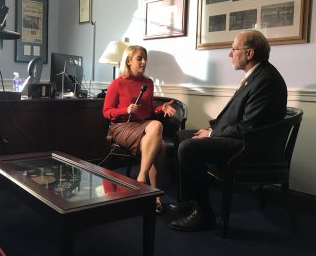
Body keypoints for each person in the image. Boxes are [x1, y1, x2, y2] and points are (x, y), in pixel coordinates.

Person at [169, 30, 287, 231]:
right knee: (181, 136)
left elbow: (249, 126)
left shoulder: (266, 79)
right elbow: (238, 118)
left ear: (249, 54)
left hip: (250, 147)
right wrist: (211, 130)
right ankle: (190, 200)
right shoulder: (257, 75)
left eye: (233, 49)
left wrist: (212, 134)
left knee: (189, 147)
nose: (229, 54)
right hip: (243, 138)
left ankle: (204, 214)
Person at [102, 45, 176, 213]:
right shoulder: (117, 83)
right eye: (139, 58)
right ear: (128, 61)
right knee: (157, 130)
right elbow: (106, 112)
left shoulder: (148, 82)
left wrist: (161, 108)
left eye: (145, 58)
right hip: (121, 126)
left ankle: (153, 195)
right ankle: (142, 180)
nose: (144, 61)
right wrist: (125, 110)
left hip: (142, 125)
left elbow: (149, 110)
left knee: (160, 146)